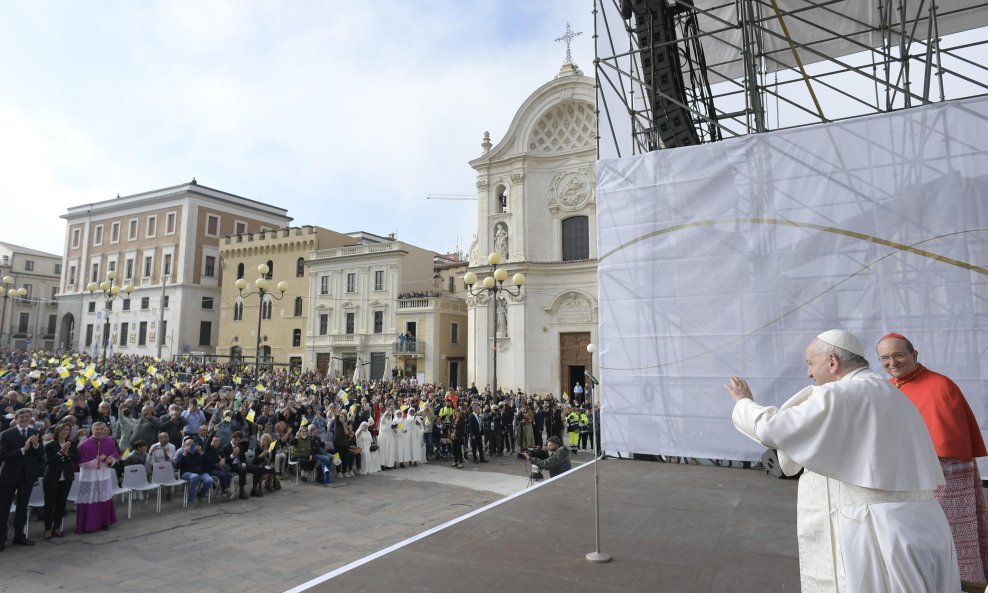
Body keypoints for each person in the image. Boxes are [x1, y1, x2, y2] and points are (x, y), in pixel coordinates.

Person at [725, 329, 960, 593]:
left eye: (811, 364)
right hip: (921, 524)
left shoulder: (840, 393)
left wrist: (744, 404)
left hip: (874, 529)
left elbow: (774, 428)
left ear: (833, 362)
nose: (809, 373)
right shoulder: (889, 391)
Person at [877, 332, 988, 581]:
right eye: (884, 357)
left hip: (945, 479)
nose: (891, 362)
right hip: (905, 482)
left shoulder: (940, 386)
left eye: (898, 355)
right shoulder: (889, 387)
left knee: (949, 536)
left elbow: (947, 446)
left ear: (914, 355)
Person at [0, 408, 45, 549]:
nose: (25, 419)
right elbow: (3, 455)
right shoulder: (5, 434)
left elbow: (40, 454)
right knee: (3, 507)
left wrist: (36, 445)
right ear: (16, 418)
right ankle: (1, 539)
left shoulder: (34, 433)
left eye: (27, 416)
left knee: (22, 506)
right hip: (9, 475)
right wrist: (22, 450)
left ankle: (19, 536)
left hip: (27, 475)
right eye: (22, 417)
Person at [75, 421, 120, 533]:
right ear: (92, 430)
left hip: (103, 474)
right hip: (89, 475)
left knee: (103, 497)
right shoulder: (84, 443)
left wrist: (111, 460)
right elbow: (79, 461)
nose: (99, 431)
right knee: (89, 498)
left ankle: (104, 522)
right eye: (97, 429)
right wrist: (97, 460)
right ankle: (89, 525)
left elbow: (115, 454)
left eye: (102, 429)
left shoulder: (109, 441)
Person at [43, 422, 77, 540]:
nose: (66, 432)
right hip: (52, 478)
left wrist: (67, 455)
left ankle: (57, 527)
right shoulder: (50, 445)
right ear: (58, 431)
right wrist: (61, 452)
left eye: (68, 430)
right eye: (63, 430)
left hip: (66, 477)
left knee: (61, 504)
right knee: (49, 503)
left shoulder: (72, 444)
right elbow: (50, 461)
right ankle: (48, 528)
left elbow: (76, 458)